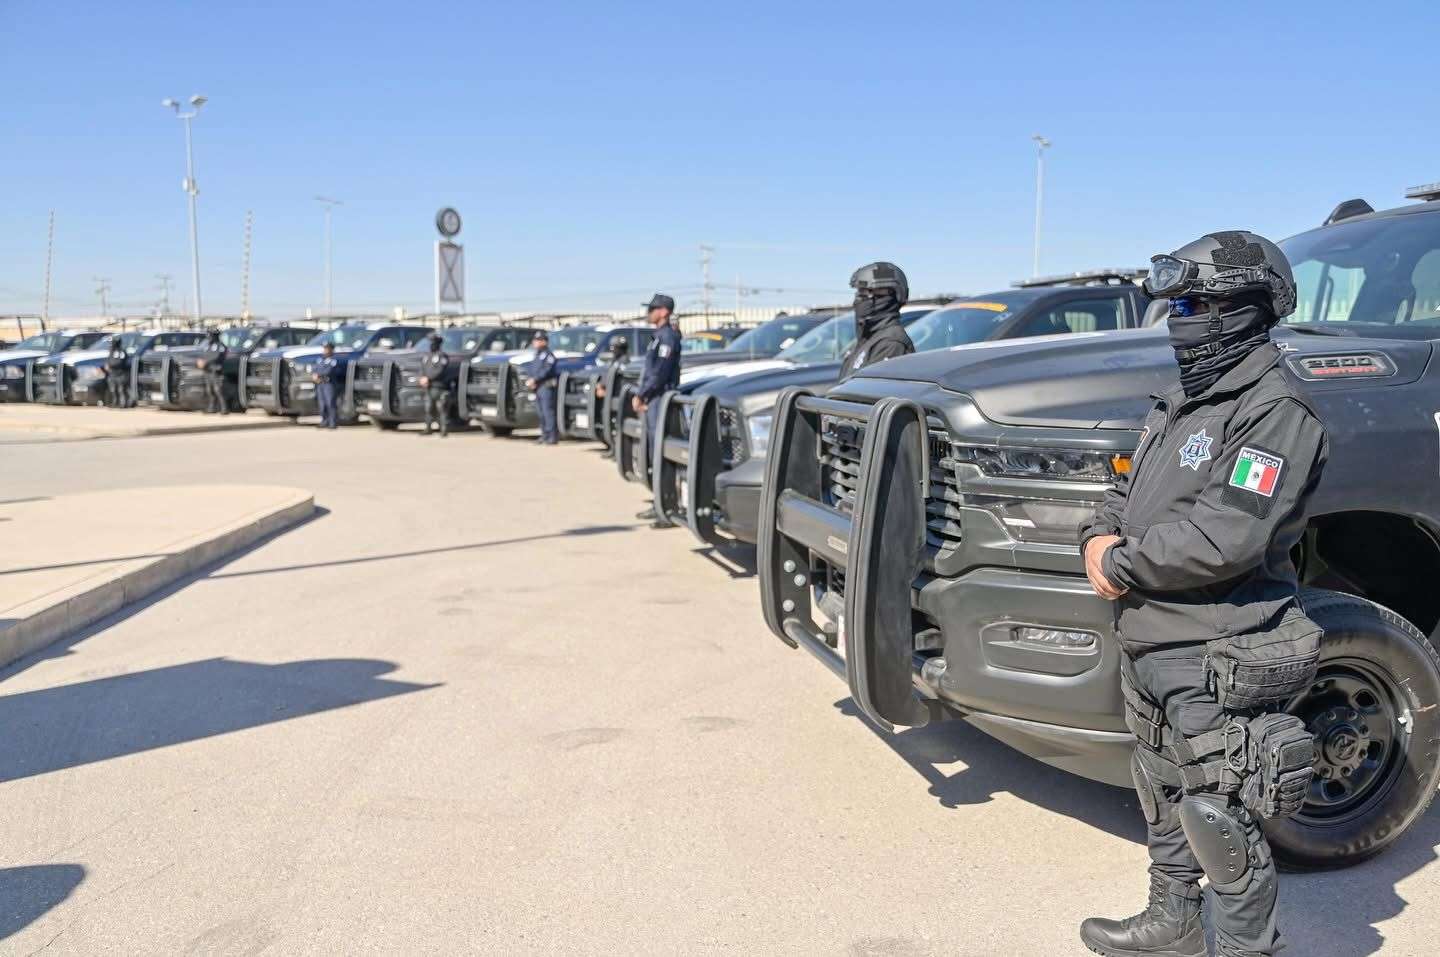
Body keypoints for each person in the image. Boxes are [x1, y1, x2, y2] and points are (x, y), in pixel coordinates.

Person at [1078, 231, 1328, 957]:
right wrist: (1095, 537)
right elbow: (1125, 491)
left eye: (1192, 305)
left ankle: (1248, 948)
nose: (1178, 320)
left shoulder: (1276, 412)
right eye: (1176, 306)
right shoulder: (1182, 399)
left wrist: (1121, 563)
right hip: (1148, 635)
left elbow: (1227, 536)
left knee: (1220, 814)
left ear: (1241, 309)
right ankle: (1175, 924)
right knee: (1160, 788)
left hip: (1215, 644)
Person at [632, 293, 681, 523]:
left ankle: (666, 508)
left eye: (652, 309)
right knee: (654, 452)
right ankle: (659, 502)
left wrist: (643, 393)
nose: (648, 313)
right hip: (654, 399)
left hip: (660, 398)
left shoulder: (667, 337)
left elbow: (660, 373)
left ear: (664, 312)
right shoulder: (658, 337)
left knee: (660, 452)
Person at [839, 261, 914, 380]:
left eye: (866, 293)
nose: (858, 300)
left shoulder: (891, 344)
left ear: (891, 295)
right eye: (859, 293)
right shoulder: (868, 339)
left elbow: (870, 389)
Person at [595, 336, 630, 460]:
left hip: (618, 398)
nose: (614, 350)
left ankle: (617, 452)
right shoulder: (615, 360)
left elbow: (617, 377)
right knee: (611, 424)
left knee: (617, 425)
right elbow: (608, 375)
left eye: (616, 348)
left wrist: (605, 388)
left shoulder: (624, 362)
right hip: (611, 397)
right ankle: (613, 448)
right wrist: (601, 385)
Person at [525, 330, 560, 445]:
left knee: (548, 412)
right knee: (540, 413)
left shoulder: (549, 355)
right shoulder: (537, 355)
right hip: (537, 387)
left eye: (538, 340)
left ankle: (552, 436)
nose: (535, 342)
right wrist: (531, 379)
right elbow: (532, 369)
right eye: (535, 340)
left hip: (546, 387)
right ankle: (544, 435)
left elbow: (546, 370)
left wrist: (535, 379)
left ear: (544, 342)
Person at [418, 333, 454, 437]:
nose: (431, 345)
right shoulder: (427, 356)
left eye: (433, 343)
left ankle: (443, 429)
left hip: (439, 387)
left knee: (441, 408)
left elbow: (440, 370)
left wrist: (429, 378)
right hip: (428, 387)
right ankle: (428, 428)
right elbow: (422, 368)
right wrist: (422, 377)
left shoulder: (442, 356)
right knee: (428, 408)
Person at [198, 328, 228, 414]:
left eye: (211, 336)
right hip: (208, 370)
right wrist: (200, 362)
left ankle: (224, 408)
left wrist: (206, 362)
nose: (209, 337)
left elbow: (217, 356)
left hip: (216, 370)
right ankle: (212, 408)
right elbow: (205, 355)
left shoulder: (220, 346)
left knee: (218, 389)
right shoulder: (208, 345)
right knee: (209, 390)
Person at [312, 342, 342, 430]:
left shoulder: (333, 361)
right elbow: (314, 368)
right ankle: (324, 421)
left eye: (327, 349)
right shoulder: (320, 360)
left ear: (332, 350)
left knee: (330, 403)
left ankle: (333, 422)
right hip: (320, 384)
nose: (325, 350)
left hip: (329, 384)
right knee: (322, 404)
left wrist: (318, 375)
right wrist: (314, 375)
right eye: (325, 348)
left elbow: (329, 371)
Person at [105, 336, 130, 408]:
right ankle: (115, 402)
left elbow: (120, 362)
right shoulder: (111, 351)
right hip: (112, 373)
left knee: (121, 389)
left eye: (112, 342)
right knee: (113, 389)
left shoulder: (121, 352)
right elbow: (109, 360)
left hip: (120, 373)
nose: (111, 344)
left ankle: (123, 403)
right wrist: (107, 365)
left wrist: (112, 365)